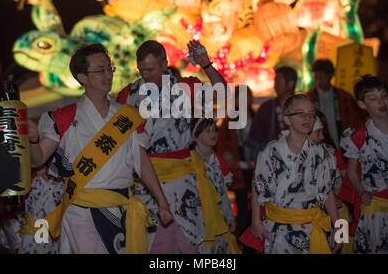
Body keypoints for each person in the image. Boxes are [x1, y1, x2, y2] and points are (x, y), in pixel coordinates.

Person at [27, 43, 173, 254]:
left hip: (122, 209)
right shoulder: (64, 117)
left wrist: (162, 202)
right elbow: (38, 157)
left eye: (109, 68)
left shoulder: (128, 115)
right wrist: (31, 141)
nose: (108, 75)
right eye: (100, 70)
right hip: (82, 213)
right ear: (82, 77)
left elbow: (142, 162)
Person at [117, 39, 227, 253]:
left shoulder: (185, 87)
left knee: (187, 242)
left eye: (150, 69)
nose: (145, 75)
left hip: (182, 180)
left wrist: (206, 65)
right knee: (150, 245)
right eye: (141, 70)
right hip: (143, 181)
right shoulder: (128, 94)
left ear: (164, 63)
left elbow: (222, 94)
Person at [252, 94, 341, 254]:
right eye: (300, 113)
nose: (307, 118)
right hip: (278, 228)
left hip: (312, 226)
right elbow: (258, 187)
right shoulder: (270, 152)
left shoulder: (322, 153)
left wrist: (339, 229)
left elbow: (327, 193)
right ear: (287, 119)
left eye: (311, 114)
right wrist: (256, 222)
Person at [340, 75, 388, 254]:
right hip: (375, 205)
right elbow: (351, 170)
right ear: (362, 104)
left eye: (384, 95)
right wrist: (361, 191)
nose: (381, 102)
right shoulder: (358, 137)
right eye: (373, 99)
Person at [190, 118, 240, 254]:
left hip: (218, 220)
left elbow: (222, 192)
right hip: (197, 222)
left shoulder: (219, 161)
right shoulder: (189, 162)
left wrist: (229, 216)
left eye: (214, 130)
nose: (213, 134)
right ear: (195, 136)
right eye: (207, 131)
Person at [215, 85, 255, 237]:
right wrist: (228, 158)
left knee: (256, 205)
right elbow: (221, 144)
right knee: (242, 204)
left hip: (255, 166)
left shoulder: (256, 117)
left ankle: (252, 237)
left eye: (248, 96)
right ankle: (242, 235)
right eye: (241, 97)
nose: (245, 100)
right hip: (238, 168)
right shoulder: (229, 119)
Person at [307, 59, 368, 148]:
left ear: (331, 75)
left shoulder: (344, 97)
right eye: (316, 77)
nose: (319, 81)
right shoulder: (308, 97)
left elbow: (356, 120)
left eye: (322, 77)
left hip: (342, 142)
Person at [248, 66, 298, 152]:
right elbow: (255, 140)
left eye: (278, 81)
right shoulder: (266, 108)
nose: (275, 85)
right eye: (275, 81)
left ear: (290, 83)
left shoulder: (303, 107)